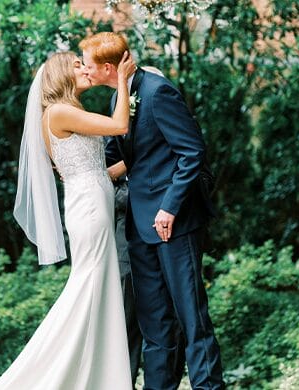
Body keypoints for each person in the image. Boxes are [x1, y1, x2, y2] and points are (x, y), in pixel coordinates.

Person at [80, 32, 225, 390]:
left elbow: (191, 153)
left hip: (173, 224)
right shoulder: (119, 95)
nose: (84, 69)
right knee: (155, 324)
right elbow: (121, 160)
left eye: (88, 64)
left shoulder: (159, 92)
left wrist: (169, 208)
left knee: (193, 319)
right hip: (139, 227)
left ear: (108, 68)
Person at [0, 50, 137, 390]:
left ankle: (100, 378)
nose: (85, 68)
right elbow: (119, 125)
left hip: (92, 201)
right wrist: (123, 81)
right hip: (89, 208)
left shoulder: (69, 112)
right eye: (77, 65)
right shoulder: (58, 112)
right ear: (60, 75)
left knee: (99, 286)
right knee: (88, 286)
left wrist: (140, 160)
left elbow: (99, 170)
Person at [106, 65, 186, 388]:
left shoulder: (165, 110)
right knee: (125, 315)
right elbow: (111, 160)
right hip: (127, 225)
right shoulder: (115, 108)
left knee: (170, 319)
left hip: (166, 224)